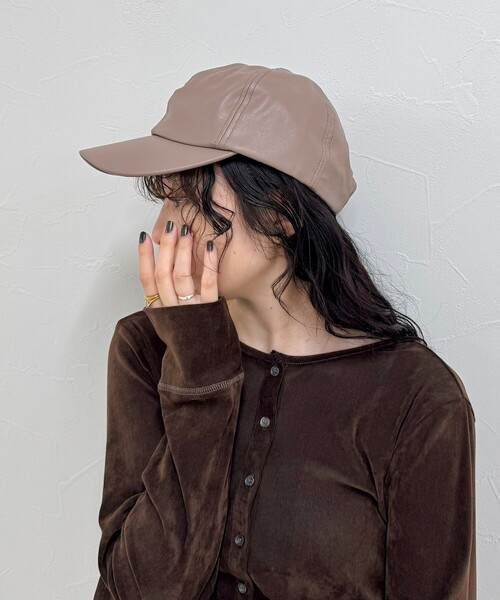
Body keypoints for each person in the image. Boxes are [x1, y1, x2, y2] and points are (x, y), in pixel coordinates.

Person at [79, 63, 476, 600]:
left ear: (282, 213)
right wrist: (198, 364)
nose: (166, 228)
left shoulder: (416, 398)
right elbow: (133, 590)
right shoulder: (147, 350)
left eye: (190, 197)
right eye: (165, 196)